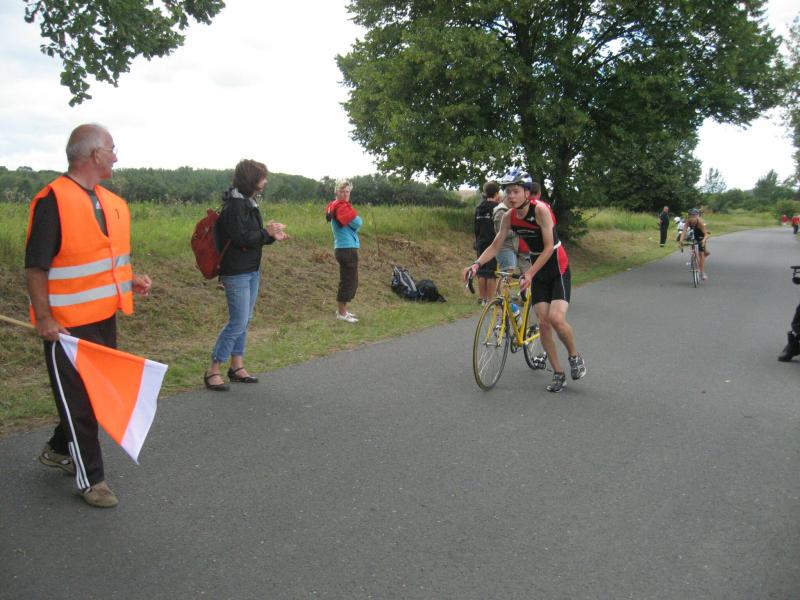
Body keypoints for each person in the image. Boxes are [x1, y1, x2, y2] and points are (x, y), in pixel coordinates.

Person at [25, 123, 152, 508]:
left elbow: (97, 261)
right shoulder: (54, 200)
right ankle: (92, 481)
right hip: (65, 327)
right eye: (112, 149)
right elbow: (36, 267)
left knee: (94, 397)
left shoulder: (109, 202)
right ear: (95, 155)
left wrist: (129, 281)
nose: (116, 156)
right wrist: (44, 318)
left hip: (103, 318)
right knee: (80, 403)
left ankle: (58, 448)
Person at [464, 168, 586, 393]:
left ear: (527, 193)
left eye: (516, 191)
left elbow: (548, 248)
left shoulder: (540, 211)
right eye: (508, 191)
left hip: (557, 268)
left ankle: (574, 356)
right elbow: (496, 245)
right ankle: (558, 373)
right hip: (538, 271)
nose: (511, 196)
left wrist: (529, 273)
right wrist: (476, 264)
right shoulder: (509, 217)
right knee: (543, 323)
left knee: (556, 319)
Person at [205, 160, 288, 391]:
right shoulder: (234, 206)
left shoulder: (247, 202)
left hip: (251, 269)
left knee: (245, 319)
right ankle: (213, 370)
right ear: (251, 179)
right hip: (236, 272)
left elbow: (253, 237)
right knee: (238, 321)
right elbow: (242, 238)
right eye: (262, 177)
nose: (265, 181)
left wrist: (271, 235)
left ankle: (237, 366)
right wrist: (266, 232)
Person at [326, 179, 362, 323]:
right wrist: (356, 220)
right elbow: (358, 222)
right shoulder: (341, 207)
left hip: (343, 247)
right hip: (346, 248)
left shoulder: (336, 206)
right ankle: (341, 313)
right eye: (342, 191)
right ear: (336, 192)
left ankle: (343, 311)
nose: (345, 194)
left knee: (349, 280)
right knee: (348, 281)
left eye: (348, 191)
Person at [473, 181, 502, 304]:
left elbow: (476, 227)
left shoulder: (479, 208)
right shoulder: (497, 208)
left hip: (480, 242)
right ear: (496, 193)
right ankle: (491, 300)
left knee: (481, 271)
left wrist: (476, 241)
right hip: (492, 243)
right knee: (491, 273)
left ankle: (482, 298)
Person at [678, 208, 710, 280]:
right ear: (689, 217)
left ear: (697, 216)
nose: (693, 219)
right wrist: (681, 241)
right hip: (695, 233)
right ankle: (694, 257)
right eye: (691, 216)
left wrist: (703, 240)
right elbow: (684, 232)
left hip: (701, 234)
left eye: (694, 216)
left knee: (701, 253)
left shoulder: (700, 222)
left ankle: (702, 272)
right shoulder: (688, 222)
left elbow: (706, 235)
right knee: (693, 243)